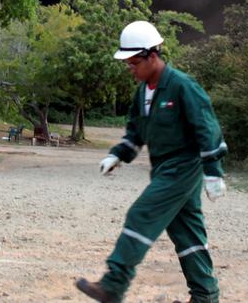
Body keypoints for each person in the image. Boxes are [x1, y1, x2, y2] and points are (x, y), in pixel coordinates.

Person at [76, 20, 228, 303]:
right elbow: (135, 132)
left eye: (134, 62)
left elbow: (207, 127)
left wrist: (213, 171)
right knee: (187, 235)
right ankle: (205, 297)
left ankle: (113, 285)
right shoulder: (143, 93)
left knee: (141, 214)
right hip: (162, 168)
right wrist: (117, 154)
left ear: (152, 55)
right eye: (128, 64)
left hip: (183, 166)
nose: (130, 69)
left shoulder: (183, 86)